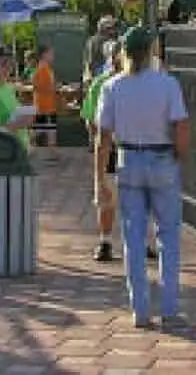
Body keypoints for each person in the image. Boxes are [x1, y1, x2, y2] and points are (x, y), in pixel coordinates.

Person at [97, 26, 191, 329]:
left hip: (129, 159)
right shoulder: (167, 84)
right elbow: (181, 126)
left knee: (133, 238)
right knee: (168, 237)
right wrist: (178, 155)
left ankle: (139, 309)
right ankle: (170, 309)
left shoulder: (112, 87)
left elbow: (103, 137)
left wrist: (99, 177)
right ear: (151, 51)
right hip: (162, 157)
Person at [81, 40, 122, 262]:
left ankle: (144, 242)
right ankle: (105, 241)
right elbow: (89, 117)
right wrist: (99, 137)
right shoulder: (101, 84)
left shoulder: (136, 81)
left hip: (129, 146)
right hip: (109, 147)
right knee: (106, 195)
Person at [0, 44, 34, 147]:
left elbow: (12, 115)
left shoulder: (7, 87)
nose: (8, 69)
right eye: (4, 64)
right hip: (5, 154)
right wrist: (18, 124)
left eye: (11, 65)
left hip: (20, 149)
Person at [31, 44, 59, 162]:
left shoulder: (45, 68)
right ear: (44, 55)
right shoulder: (43, 69)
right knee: (45, 129)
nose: (52, 56)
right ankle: (51, 153)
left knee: (45, 129)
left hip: (46, 104)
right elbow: (41, 87)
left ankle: (52, 153)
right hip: (44, 105)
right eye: (50, 53)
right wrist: (54, 88)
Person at [84, 15, 117, 83]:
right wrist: (89, 76)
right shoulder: (93, 41)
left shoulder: (113, 41)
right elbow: (89, 61)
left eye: (112, 28)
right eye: (109, 28)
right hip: (97, 76)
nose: (112, 30)